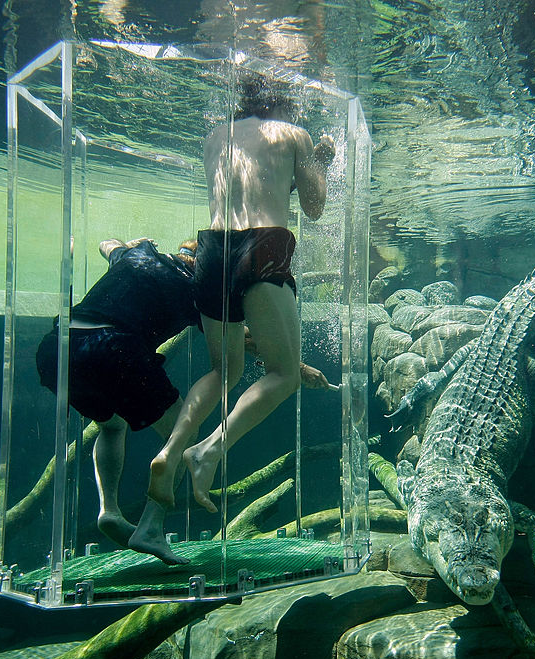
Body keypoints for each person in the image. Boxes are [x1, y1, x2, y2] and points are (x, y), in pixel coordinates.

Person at [37, 237, 333, 565]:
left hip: (58, 348)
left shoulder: (139, 255)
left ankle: (109, 510)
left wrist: (128, 244)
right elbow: (247, 340)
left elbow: (107, 244)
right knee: (183, 432)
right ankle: (151, 524)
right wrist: (299, 368)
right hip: (111, 349)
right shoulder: (198, 289)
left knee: (110, 425)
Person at [145, 73, 336, 516]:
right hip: (263, 245)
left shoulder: (216, 136)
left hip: (213, 249)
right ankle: (208, 451)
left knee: (223, 369)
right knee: (284, 374)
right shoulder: (294, 134)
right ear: (283, 104)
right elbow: (315, 205)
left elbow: (252, 185)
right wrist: (321, 159)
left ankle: (172, 451)